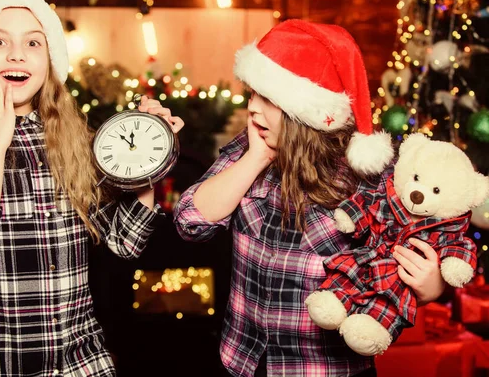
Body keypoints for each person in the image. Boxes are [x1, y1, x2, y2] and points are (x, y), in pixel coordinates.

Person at [0, 0, 183, 377]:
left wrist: (147, 159)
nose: (17, 54)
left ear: (49, 61)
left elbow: (125, 241)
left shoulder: (72, 140)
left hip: (85, 360)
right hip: (8, 364)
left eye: (33, 42)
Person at [173, 19, 445, 377]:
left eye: (267, 98)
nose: (252, 108)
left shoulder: (369, 174)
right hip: (243, 361)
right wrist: (256, 159)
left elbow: (414, 260)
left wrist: (431, 285)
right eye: (253, 94)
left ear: (304, 111)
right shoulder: (250, 146)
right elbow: (190, 223)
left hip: (326, 370)